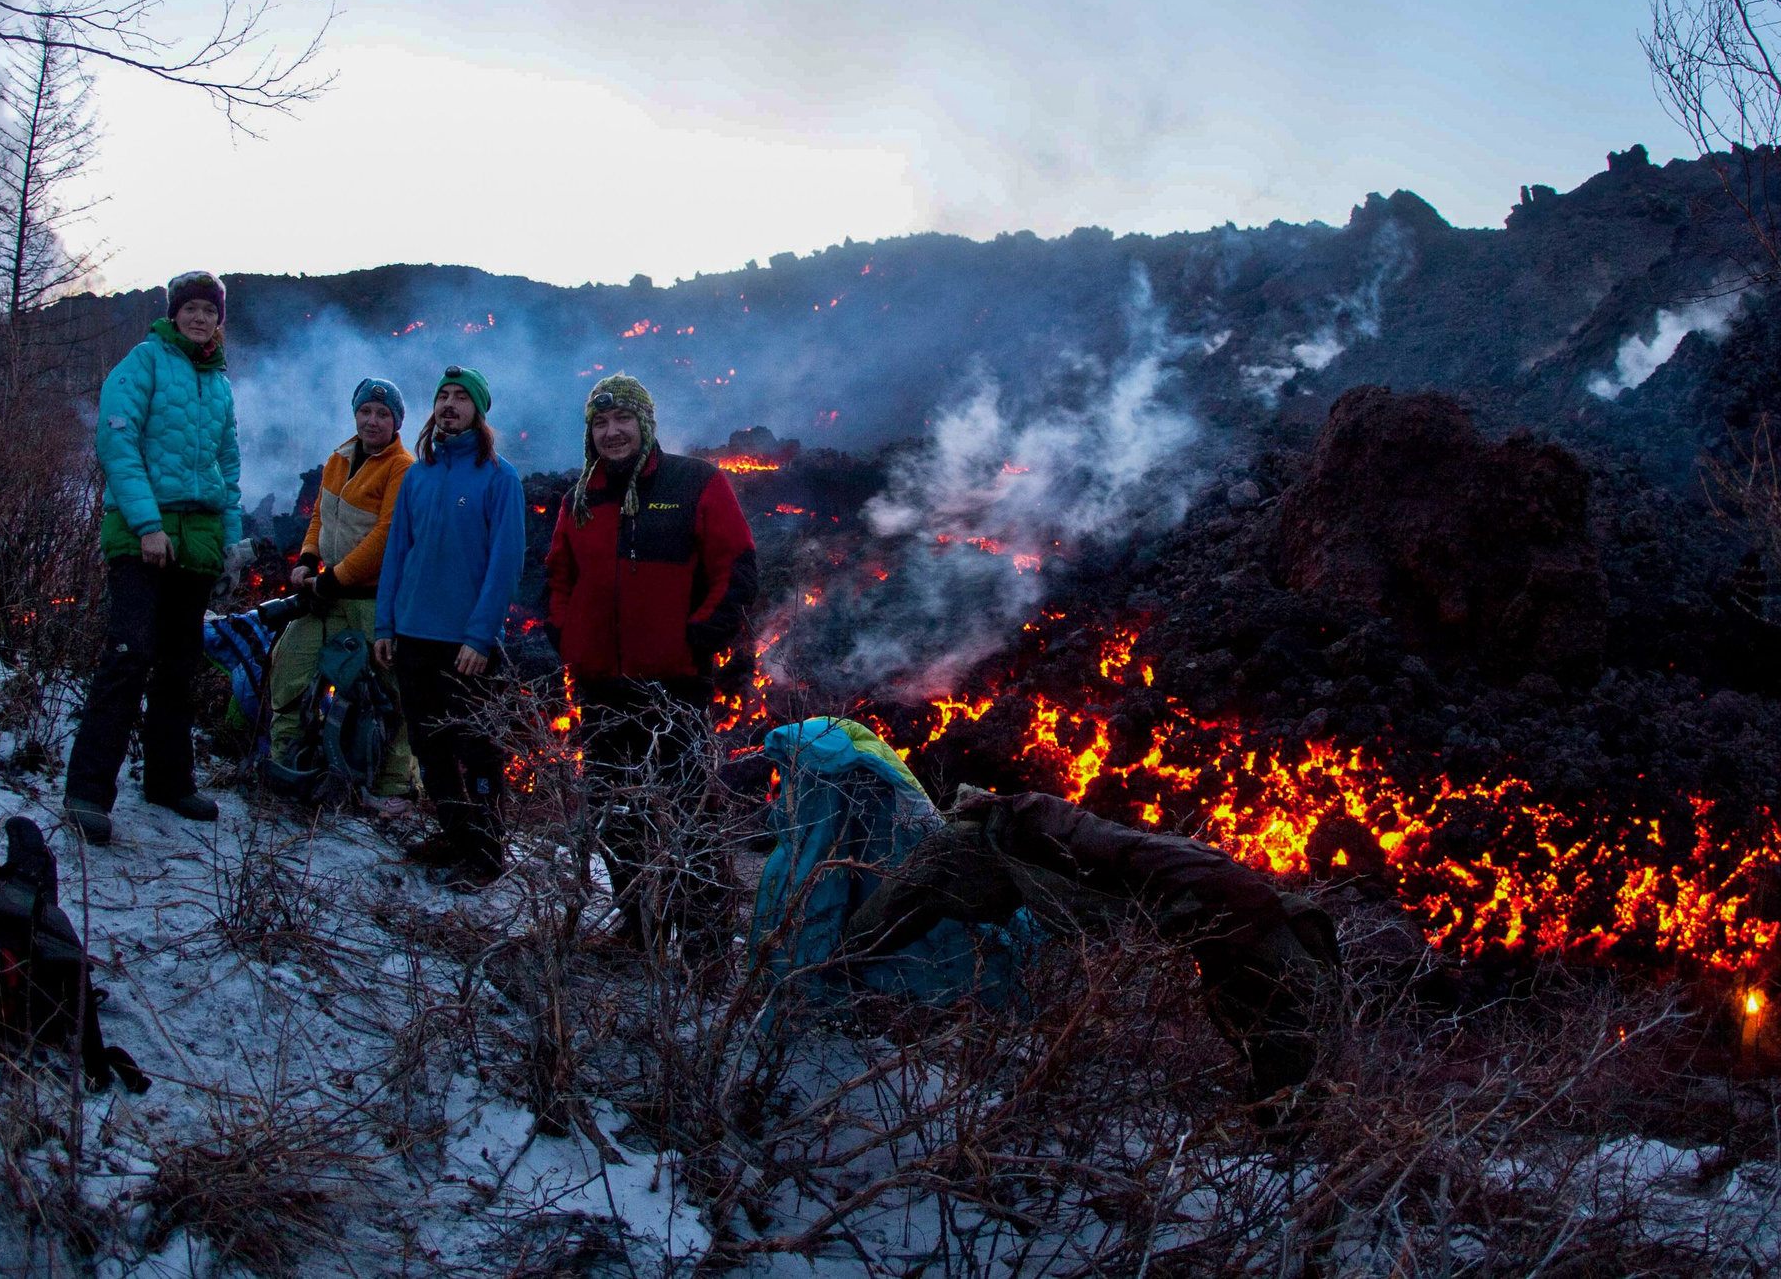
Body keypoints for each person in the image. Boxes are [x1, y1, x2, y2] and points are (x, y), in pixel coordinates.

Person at [845, 788, 1341, 1106]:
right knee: (905, 903)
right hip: (1018, 849)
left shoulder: (1242, 912)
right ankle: (839, 966)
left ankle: (1279, 1113)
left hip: (1208, 905)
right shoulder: (987, 839)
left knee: (1272, 1020)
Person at [545, 372, 757, 944]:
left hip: (674, 686)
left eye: (623, 419)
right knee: (616, 814)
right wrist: (567, 637)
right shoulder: (578, 498)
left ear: (645, 423)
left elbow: (736, 568)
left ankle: (704, 939)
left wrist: (696, 639)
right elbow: (559, 576)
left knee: (689, 813)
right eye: (600, 422)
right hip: (600, 686)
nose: (612, 432)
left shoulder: (697, 482)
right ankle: (640, 928)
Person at [64, 271, 248, 845]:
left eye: (209, 311)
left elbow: (228, 467)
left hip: (198, 540)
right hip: (143, 533)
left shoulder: (218, 383)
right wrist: (147, 525)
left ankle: (169, 782)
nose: (200, 318)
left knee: (179, 665)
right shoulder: (142, 362)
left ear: (219, 321)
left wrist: (232, 542)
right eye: (191, 309)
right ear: (174, 314)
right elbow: (116, 443)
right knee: (129, 655)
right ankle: (87, 792)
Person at [372, 366, 525, 889]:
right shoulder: (418, 475)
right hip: (413, 636)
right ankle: (455, 835)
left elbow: (505, 565)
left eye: (461, 397)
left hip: (465, 646)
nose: (449, 405)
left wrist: (480, 636)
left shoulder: (500, 478)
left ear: (478, 411)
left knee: (478, 752)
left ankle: (486, 853)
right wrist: (385, 624)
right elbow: (397, 553)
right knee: (428, 747)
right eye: (443, 396)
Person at [263, 378, 419, 801]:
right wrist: (307, 558)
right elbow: (319, 516)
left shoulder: (402, 467)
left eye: (383, 414)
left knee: (389, 692)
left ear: (396, 422)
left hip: (371, 600)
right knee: (290, 669)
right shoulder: (338, 458)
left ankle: (393, 785)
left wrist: (333, 579)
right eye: (365, 411)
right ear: (355, 414)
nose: (373, 421)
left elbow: (386, 536)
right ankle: (284, 761)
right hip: (326, 595)